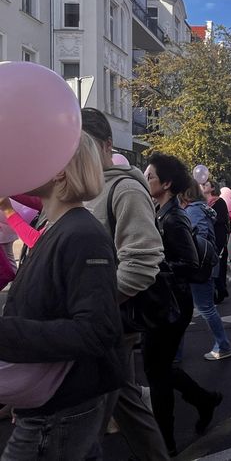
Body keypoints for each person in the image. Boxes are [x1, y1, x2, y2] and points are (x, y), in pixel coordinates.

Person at [0, 133, 124, 460]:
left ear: (58, 171)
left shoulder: (82, 234)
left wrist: (5, 333)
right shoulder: (56, 225)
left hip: (59, 410)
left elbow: (98, 329)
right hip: (50, 406)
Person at [81, 108, 170, 460]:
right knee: (126, 399)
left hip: (109, 320)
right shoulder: (86, 187)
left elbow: (143, 261)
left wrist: (95, 307)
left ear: (106, 146)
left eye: (82, 147)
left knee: (86, 417)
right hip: (97, 318)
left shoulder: (124, 187)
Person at [144, 154, 223, 456]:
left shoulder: (175, 218)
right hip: (162, 301)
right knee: (159, 369)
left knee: (157, 373)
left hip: (172, 305)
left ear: (166, 184)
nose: (146, 179)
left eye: (150, 176)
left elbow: (190, 265)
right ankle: (204, 400)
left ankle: (164, 445)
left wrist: (155, 265)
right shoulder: (161, 211)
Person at [180, 179, 231, 361]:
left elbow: (199, 238)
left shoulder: (193, 210)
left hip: (199, 268)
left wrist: (184, 248)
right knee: (187, 309)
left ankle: (223, 345)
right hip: (201, 267)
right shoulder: (199, 208)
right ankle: (176, 353)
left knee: (206, 308)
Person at [203, 181, 231, 302]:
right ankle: (220, 289)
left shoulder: (219, 202)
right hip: (208, 235)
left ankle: (220, 290)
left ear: (213, 188)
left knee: (217, 262)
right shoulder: (203, 202)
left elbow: (223, 218)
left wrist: (210, 216)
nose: (204, 186)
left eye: (207, 185)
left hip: (218, 236)